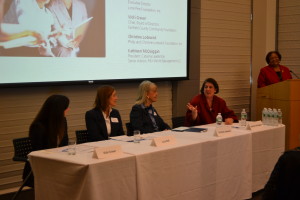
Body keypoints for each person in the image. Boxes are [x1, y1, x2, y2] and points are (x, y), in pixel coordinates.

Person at [23, 94, 70, 187]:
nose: (68, 110)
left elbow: (64, 144)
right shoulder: (38, 126)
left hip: (58, 162)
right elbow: (39, 153)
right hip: (41, 166)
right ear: (58, 110)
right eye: (66, 108)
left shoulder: (62, 121)